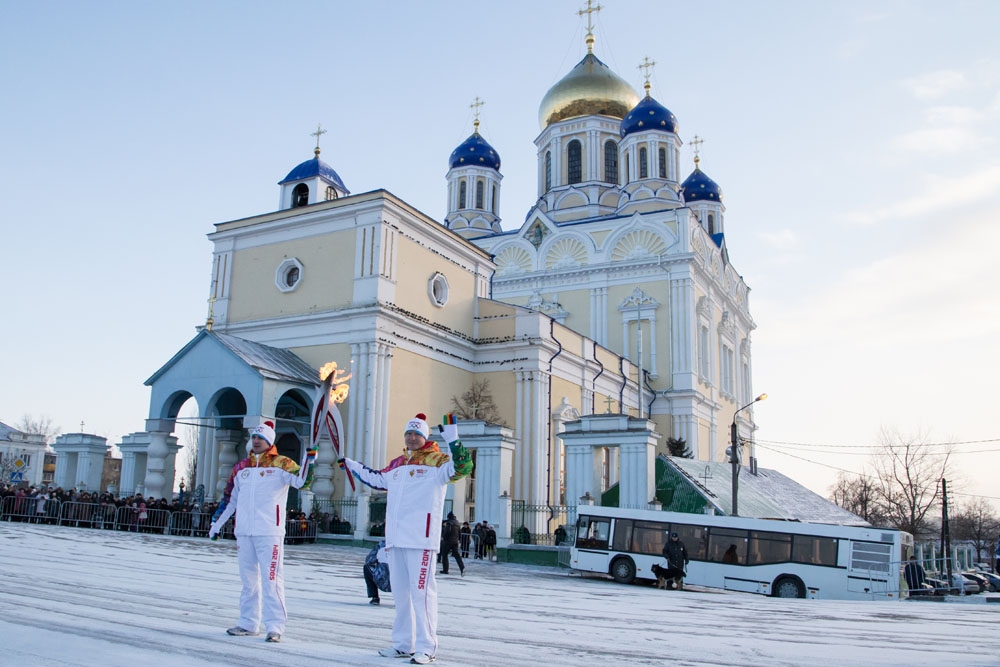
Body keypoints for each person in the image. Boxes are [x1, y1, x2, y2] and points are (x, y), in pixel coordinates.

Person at [339, 413, 472, 665]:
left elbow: (463, 467)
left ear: (425, 437)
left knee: (421, 594)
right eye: (408, 433)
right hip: (395, 540)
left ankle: (427, 647)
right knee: (401, 595)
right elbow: (377, 479)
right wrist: (351, 464)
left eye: (417, 434)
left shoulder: (438, 462)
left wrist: (453, 440)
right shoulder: (397, 464)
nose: (412, 438)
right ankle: (403, 644)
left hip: (421, 540)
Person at [209, 419, 315, 643]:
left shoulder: (282, 463)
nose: (256, 441)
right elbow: (230, 499)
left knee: (272, 579)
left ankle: (275, 626)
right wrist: (217, 524)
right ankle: (248, 623)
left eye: (261, 438)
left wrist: (309, 460)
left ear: (269, 441)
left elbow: (303, 482)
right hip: (245, 532)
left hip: (269, 532)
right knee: (248, 580)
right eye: (254, 437)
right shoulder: (241, 468)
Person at [365, 540, 391, 605]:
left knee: (366, 567)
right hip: (400, 584)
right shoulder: (405, 545)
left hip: (381, 581)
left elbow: (369, 561)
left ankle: (375, 598)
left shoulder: (382, 544)